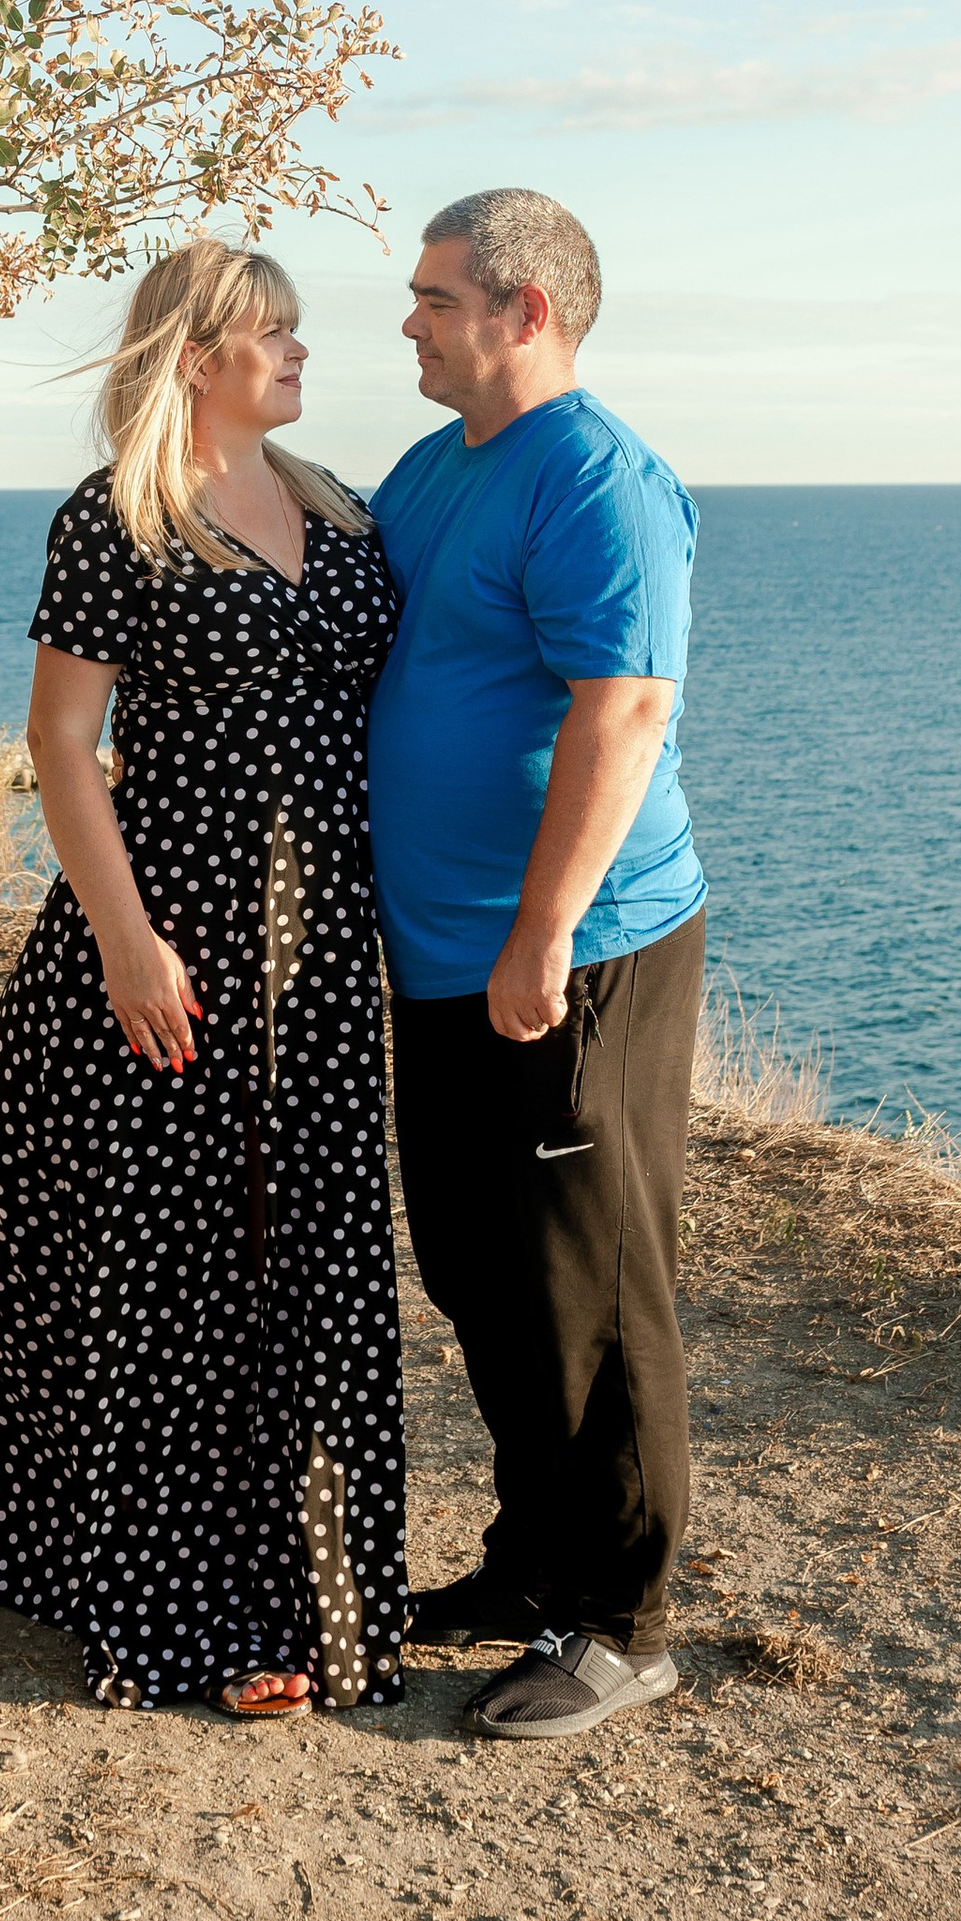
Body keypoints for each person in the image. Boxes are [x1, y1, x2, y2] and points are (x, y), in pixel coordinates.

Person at [0, 239, 408, 1718]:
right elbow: (59, 744)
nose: (302, 357)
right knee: (175, 1275)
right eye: (273, 335)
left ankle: (324, 1586)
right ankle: (200, 1616)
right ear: (194, 356)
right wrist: (125, 938)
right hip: (173, 934)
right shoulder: (115, 522)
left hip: (323, 942)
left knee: (314, 1264)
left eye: (300, 334)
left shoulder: (340, 512)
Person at [367, 188, 707, 1741]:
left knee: (591, 1286)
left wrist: (544, 933)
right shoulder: (434, 472)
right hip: (441, 953)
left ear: (528, 312)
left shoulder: (600, 481)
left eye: (436, 297)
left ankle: (620, 1621)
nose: (411, 323)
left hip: (574, 953)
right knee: (482, 1271)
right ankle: (529, 1564)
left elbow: (621, 714)